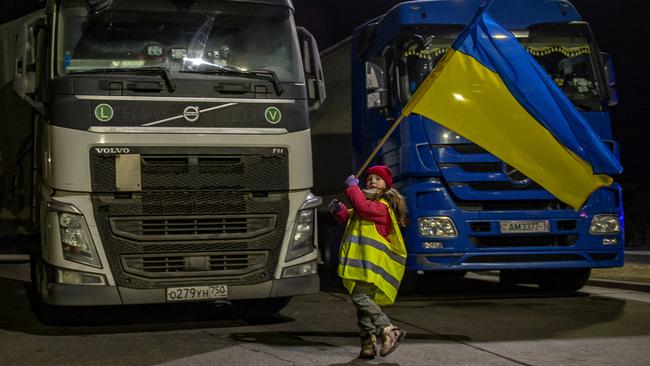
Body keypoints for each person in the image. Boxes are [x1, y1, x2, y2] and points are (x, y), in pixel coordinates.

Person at [328, 165, 408, 359]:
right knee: (364, 307)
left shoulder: (383, 206)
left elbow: (363, 209)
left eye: (377, 179)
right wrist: (339, 211)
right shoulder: (368, 205)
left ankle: (388, 329)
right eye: (369, 178)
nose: (372, 181)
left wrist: (352, 189)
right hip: (362, 265)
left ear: (386, 185)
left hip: (371, 267)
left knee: (361, 299)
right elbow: (353, 220)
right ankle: (367, 345)